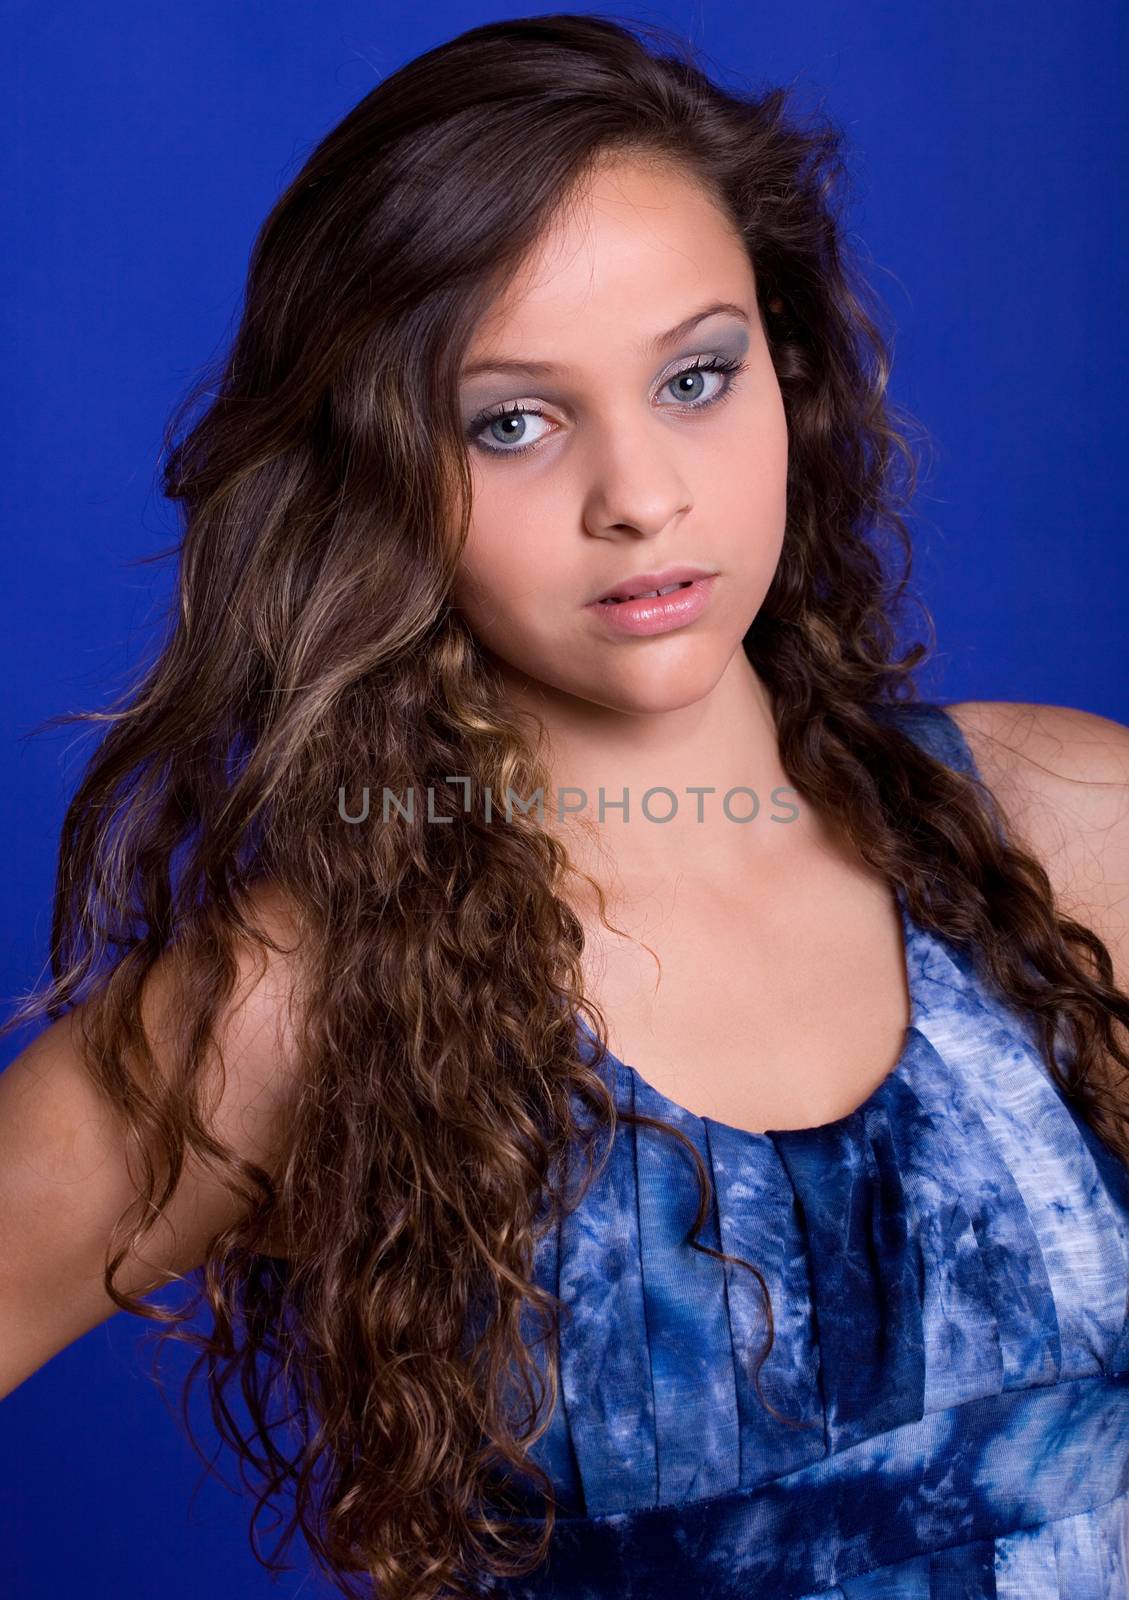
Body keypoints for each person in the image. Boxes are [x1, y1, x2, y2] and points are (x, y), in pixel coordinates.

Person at [2, 12, 1128, 1599]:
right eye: (512, 420)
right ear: (376, 467)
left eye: (693, 376)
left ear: (785, 371)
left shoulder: (1061, 831)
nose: (640, 495)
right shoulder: (305, 996)